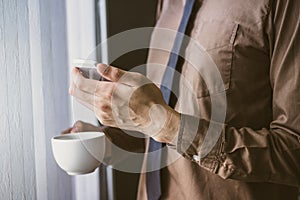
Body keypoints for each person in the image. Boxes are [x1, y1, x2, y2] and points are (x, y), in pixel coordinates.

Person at [64, 0, 300, 199]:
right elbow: (172, 127)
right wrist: (108, 141)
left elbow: (293, 151)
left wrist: (165, 123)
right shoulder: (167, 4)